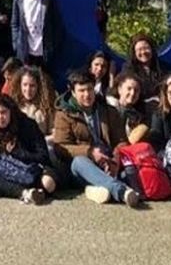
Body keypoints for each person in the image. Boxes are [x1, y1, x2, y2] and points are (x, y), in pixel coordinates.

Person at [52, 70, 147, 207]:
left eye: (90, 89)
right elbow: (61, 147)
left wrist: (115, 160)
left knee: (130, 166)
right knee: (79, 162)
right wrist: (89, 152)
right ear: (73, 92)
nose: (87, 95)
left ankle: (100, 189)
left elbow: (121, 141)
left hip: (108, 163)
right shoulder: (64, 114)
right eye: (81, 91)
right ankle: (120, 191)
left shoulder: (109, 111)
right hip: (82, 167)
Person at [0, 92, 58, 204]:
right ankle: (25, 193)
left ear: (11, 110)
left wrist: (18, 153)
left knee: (48, 183)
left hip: (32, 168)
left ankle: (37, 192)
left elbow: (43, 156)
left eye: (4, 112)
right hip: (6, 172)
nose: (0, 117)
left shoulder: (27, 125)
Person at [10, 0, 65, 68]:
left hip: (44, 50)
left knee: (43, 76)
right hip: (26, 50)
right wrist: (16, 44)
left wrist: (54, 45)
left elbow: (57, 23)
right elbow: (15, 23)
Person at [125, 33, 171, 101]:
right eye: (139, 49)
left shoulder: (164, 67)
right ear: (134, 53)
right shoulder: (128, 69)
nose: (143, 52)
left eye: (146, 48)